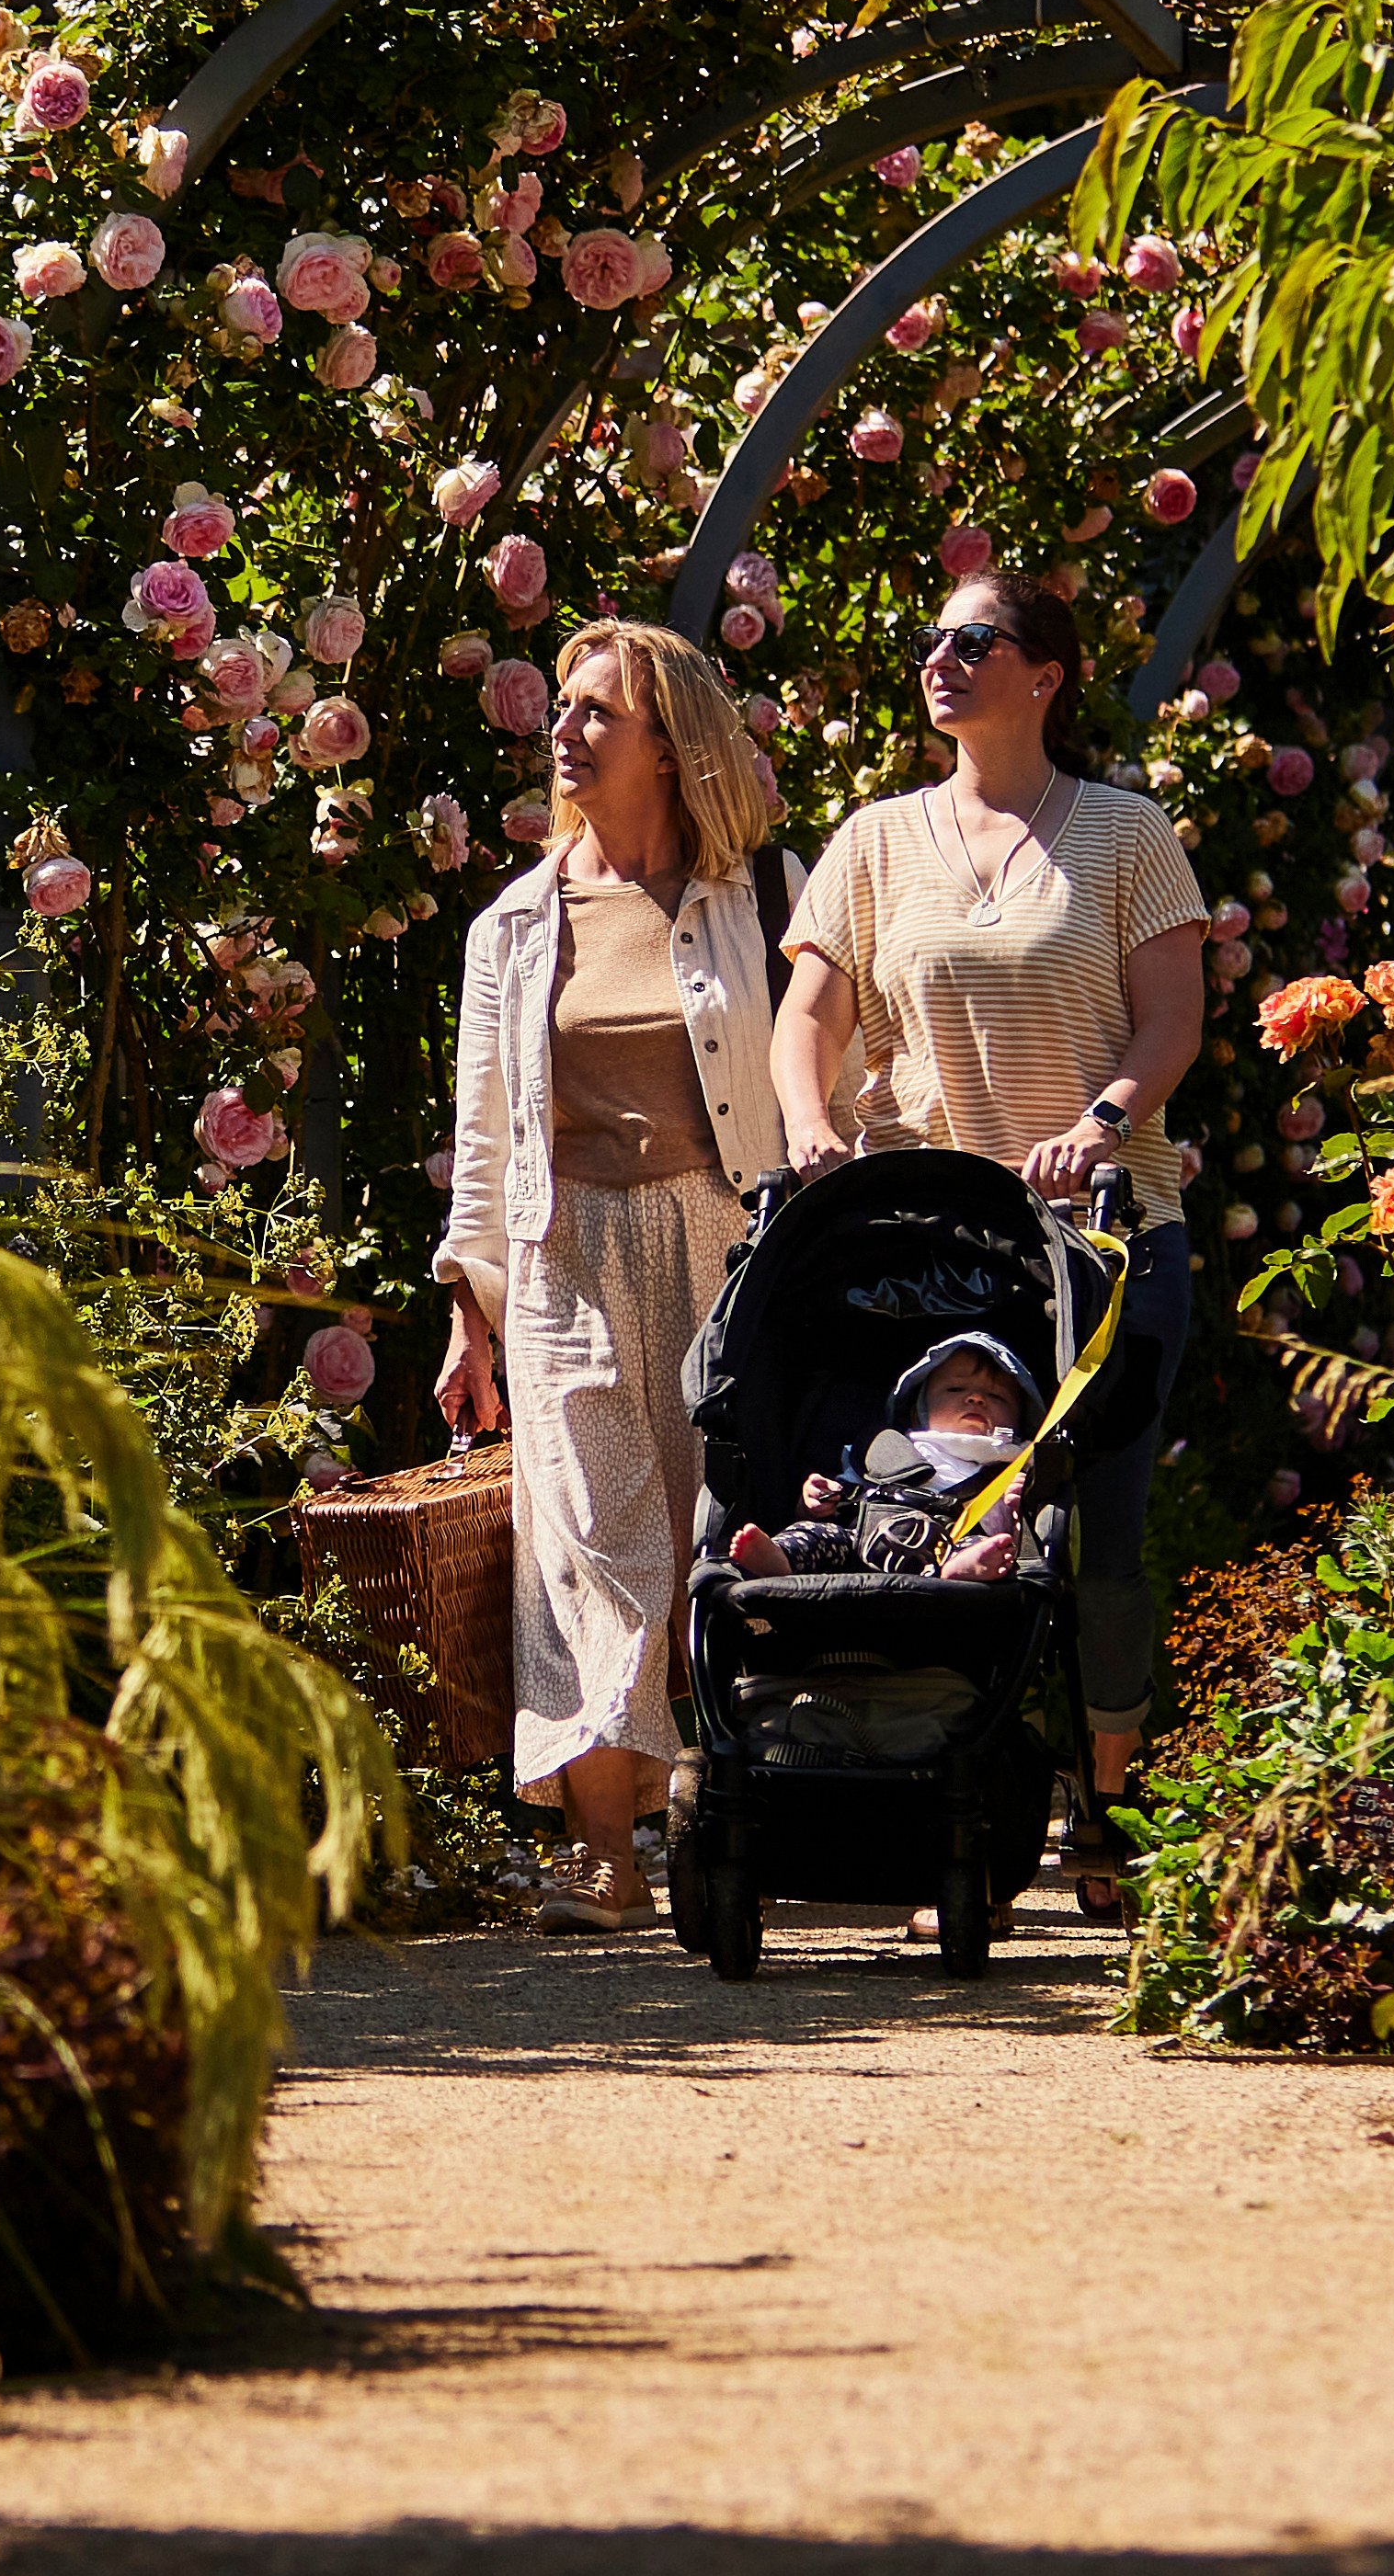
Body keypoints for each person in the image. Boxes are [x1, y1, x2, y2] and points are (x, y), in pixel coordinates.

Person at [776, 570, 1217, 1828]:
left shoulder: (1126, 834)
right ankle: (948, 1791)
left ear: (1045, 675)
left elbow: (1172, 1020)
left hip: (1104, 1241)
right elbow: (806, 1018)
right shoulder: (871, 842)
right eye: (932, 639)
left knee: (1101, 1539)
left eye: (975, 640)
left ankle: (1109, 1808)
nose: (942, 658)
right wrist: (811, 1129)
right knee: (929, 1513)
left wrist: (1098, 1124)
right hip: (930, 1252)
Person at [429, 614, 793, 1927]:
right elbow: (480, 1138)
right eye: (564, 709)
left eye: (597, 713)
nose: (565, 733)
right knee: (590, 1535)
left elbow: (822, 1082)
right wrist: (468, 1313)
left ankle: (738, 1809)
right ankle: (608, 1855)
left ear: (670, 742)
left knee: (726, 1525)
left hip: (727, 1235)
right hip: (561, 1249)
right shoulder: (513, 928)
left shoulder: (758, 899)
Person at [727, 1332, 1034, 1576]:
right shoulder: (888, 1445)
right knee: (815, 1534)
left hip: (949, 1541)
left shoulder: (1010, 1468)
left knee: (987, 1547)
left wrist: (1017, 1509)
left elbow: (1013, 1537)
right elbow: (842, 1495)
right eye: (955, 1390)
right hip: (863, 1536)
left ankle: (961, 1568)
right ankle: (781, 1557)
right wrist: (814, 1501)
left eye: (996, 1396)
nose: (976, 1398)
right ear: (918, 1411)